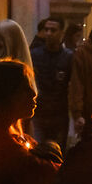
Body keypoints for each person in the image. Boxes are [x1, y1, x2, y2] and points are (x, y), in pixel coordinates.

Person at [29, 17, 73, 145]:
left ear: (61, 34)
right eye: (46, 30)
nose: (48, 33)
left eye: (53, 30)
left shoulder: (68, 57)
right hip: (39, 112)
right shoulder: (35, 55)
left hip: (59, 114)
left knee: (57, 153)